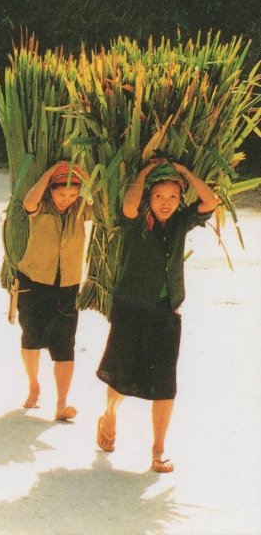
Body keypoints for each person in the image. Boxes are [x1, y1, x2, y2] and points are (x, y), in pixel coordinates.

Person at [95, 159, 220, 472]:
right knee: (121, 375)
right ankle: (109, 413)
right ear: (149, 198)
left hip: (165, 311)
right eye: (159, 196)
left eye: (174, 197)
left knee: (165, 382)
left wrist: (186, 173)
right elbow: (128, 204)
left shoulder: (181, 222)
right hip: (130, 308)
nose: (167, 203)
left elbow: (210, 201)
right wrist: (142, 174)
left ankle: (158, 449)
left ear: (180, 200)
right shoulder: (135, 223)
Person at [15, 160, 92, 421]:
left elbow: (106, 203)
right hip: (33, 283)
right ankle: (33, 385)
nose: (66, 199)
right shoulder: (41, 208)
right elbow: (28, 202)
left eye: (73, 194)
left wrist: (84, 174)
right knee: (31, 338)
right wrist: (50, 172)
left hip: (68, 287)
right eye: (61, 193)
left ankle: (61, 404)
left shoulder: (81, 210)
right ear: (51, 190)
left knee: (65, 347)